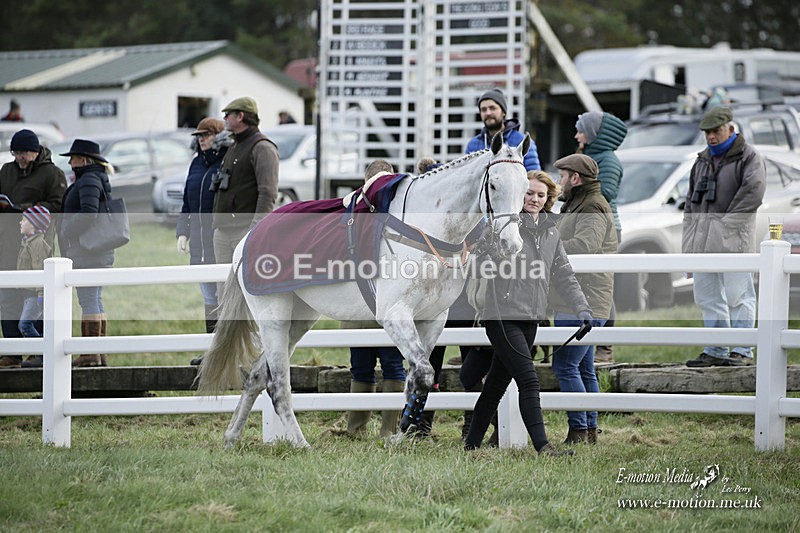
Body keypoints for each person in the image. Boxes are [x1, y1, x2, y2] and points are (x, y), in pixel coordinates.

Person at [464, 170, 591, 456]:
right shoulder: (503, 227)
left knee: (495, 385)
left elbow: (564, 274)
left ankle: (471, 446)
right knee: (529, 379)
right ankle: (543, 446)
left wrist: (582, 307)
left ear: (548, 199)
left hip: (532, 317)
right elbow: (477, 262)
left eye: (540, 195)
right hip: (502, 316)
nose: (534, 199)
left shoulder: (550, 232)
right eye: (529, 193)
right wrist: (491, 256)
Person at [683, 106, 766, 367]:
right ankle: (716, 349)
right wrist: (688, 249)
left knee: (739, 296)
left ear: (731, 128)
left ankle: (742, 351)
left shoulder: (750, 157)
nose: (711, 137)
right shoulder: (701, 161)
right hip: (703, 245)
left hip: (735, 244)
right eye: (707, 132)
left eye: (716, 131)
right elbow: (690, 205)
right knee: (708, 298)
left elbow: (752, 196)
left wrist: (722, 229)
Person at [550, 154, 617, 445]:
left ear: (575, 178)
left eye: (562, 176)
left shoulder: (592, 205)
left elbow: (585, 246)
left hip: (583, 298)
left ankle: (578, 430)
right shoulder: (579, 203)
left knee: (565, 366)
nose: (558, 182)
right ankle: (589, 431)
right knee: (583, 367)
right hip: (584, 296)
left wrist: (547, 245)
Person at [340, 160, 407, 437]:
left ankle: (358, 429)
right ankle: (387, 431)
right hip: (384, 301)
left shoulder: (349, 208)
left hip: (359, 302)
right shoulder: (397, 211)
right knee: (388, 366)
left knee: (363, 367)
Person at [0, 129, 66, 368]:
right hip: (7, 244)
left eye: (23, 153)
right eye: (16, 153)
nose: (19, 158)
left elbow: (58, 206)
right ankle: (12, 353)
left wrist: (25, 209)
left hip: (35, 247)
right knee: (7, 300)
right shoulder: (6, 171)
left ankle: (38, 352)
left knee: (35, 301)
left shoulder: (53, 174)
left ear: (35, 151)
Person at [175, 118, 232, 366]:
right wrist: (182, 232)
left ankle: (226, 350)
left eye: (207, 134)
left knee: (223, 295)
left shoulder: (226, 162)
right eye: (199, 135)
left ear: (217, 136)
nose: (201, 139)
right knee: (208, 295)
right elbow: (187, 202)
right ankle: (212, 349)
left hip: (220, 238)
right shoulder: (196, 163)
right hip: (198, 239)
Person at [58, 139, 117, 367]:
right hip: (95, 251)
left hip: (88, 251)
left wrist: (66, 229)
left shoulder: (89, 179)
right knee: (94, 299)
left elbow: (89, 212)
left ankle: (90, 353)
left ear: (83, 160)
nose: (71, 162)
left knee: (89, 300)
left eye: (73, 158)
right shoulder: (93, 178)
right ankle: (97, 352)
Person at [574, 111, 628, 363]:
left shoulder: (608, 160)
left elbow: (605, 191)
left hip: (605, 228)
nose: (577, 135)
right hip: (583, 224)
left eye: (581, 130)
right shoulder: (589, 156)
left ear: (593, 133)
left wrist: (573, 188)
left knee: (602, 286)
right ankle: (587, 341)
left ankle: (605, 346)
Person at [212, 97, 279, 267]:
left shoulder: (263, 147)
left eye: (228, 114)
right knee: (223, 289)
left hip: (244, 231)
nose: (225, 118)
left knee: (244, 288)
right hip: (223, 230)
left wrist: (254, 231)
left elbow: (268, 193)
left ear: (241, 116)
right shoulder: (234, 145)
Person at [465, 88, 541, 171]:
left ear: (503, 112)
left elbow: (534, 177)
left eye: (492, 108)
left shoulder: (522, 141)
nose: (488, 113)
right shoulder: (473, 145)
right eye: (483, 109)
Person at [16, 206, 53, 368]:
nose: (20, 222)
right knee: (27, 323)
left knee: (25, 324)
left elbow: (40, 270)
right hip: (28, 293)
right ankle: (40, 354)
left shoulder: (37, 244)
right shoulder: (27, 242)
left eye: (24, 220)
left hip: (35, 294)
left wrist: (41, 294)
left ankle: (41, 355)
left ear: (33, 225)